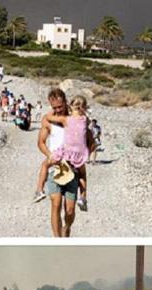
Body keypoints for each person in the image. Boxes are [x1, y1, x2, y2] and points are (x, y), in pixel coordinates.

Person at [33, 89, 95, 237]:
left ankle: (66, 227)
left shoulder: (76, 118)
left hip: (72, 168)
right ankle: (57, 239)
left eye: (60, 106)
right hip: (55, 167)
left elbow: (91, 140)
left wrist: (84, 155)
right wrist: (50, 155)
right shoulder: (48, 120)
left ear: (65, 102)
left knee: (70, 210)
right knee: (56, 203)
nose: (57, 110)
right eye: (54, 107)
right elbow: (41, 142)